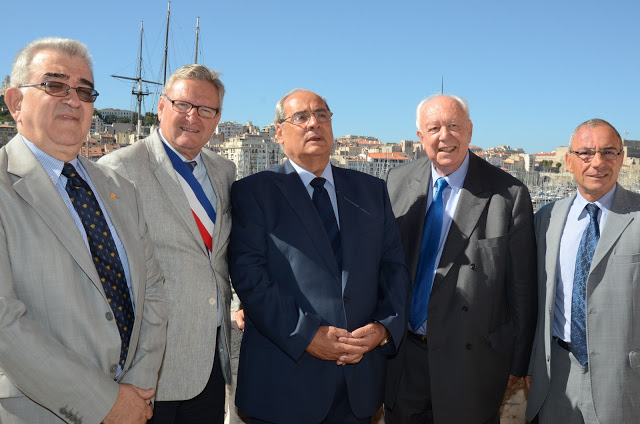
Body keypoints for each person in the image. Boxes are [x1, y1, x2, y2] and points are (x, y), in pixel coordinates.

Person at [0, 37, 167, 424]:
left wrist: (137, 389)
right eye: (54, 85)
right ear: (15, 102)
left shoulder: (120, 189)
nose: (73, 99)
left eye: (85, 91)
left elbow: (153, 289)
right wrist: (105, 403)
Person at [228, 89, 409, 424]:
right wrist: (307, 335)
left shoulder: (371, 191)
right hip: (283, 387)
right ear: (279, 132)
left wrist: (385, 328)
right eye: (301, 117)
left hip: (359, 389)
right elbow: (249, 277)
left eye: (322, 115)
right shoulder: (254, 192)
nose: (314, 123)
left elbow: (393, 268)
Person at [384, 94, 537, 423]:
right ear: (420, 137)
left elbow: (522, 287)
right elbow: (376, 262)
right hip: (404, 360)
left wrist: (518, 362)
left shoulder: (508, 195)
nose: (445, 136)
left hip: (472, 365)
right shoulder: (395, 182)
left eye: (454, 126)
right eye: (434, 127)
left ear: (469, 130)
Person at [99, 64, 236, 423]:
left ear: (217, 118)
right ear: (161, 107)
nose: (194, 117)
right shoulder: (118, 168)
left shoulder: (225, 171)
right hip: (148, 366)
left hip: (212, 359)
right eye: (183, 105)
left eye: (206, 109)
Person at [526, 118, 640, 423]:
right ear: (569, 161)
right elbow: (535, 300)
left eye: (608, 152)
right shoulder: (546, 220)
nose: (597, 162)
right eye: (586, 153)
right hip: (556, 375)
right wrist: (531, 365)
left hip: (625, 379)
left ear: (622, 158)